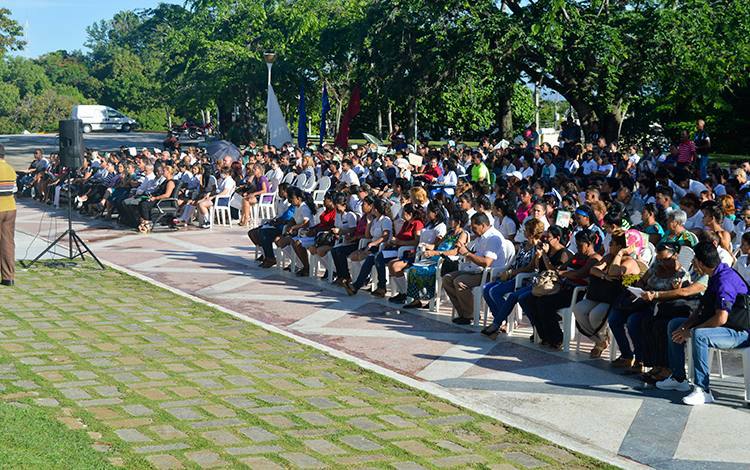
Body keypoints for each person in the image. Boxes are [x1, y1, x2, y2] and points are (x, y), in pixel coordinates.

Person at [657, 241, 749, 405]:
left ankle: (702, 390)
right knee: (675, 324)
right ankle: (679, 378)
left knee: (699, 335)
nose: (692, 265)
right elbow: (702, 310)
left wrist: (691, 331)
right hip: (723, 326)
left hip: (739, 332)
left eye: (693, 261)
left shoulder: (724, 280)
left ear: (700, 262)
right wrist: (686, 326)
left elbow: (721, 318)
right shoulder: (715, 275)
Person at [573, 228, 642, 358]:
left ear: (621, 247)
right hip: (600, 295)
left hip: (616, 300)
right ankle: (601, 340)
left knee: (595, 315)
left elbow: (614, 272)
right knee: (579, 309)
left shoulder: (630, 262)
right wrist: (604, 276)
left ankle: (602, 341)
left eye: (612, 244)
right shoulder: (609, 257)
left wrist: (620, 254)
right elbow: (594, 269)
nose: (608, 246)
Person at [481, 218, 546, 337]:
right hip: (514, 276)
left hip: (525, 279)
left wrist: (512, 273)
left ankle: (500, 322)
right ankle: (501, 319)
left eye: (525, 230)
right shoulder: (522, 245)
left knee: (495, 291)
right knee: (486, 289)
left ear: (530, 232)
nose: (523, 232)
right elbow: (513, 261)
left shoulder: (539, 248)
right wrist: (505, 272)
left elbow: (531, 268)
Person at [441, 212, 506, 325]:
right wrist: (463, 248)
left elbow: (486, 262)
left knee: (460, 282)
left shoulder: (493, 238)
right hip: (475, 270)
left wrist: (467, 254)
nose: (473, 230)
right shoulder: (481, 237)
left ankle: (470, 315)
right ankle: (464, 313)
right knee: (447, 279)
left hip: (489, 274)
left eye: (475, 227)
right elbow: (472, 250)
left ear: (483, 225)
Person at [403, 210, 469, 309]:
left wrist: (436, 253)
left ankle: (432, 298)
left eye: (452, 219)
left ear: (458, 222)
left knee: (425, 271)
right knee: (413, 269)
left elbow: (456, 251)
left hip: (447, 261)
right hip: (436, 257)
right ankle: (417, 299)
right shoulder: (450, 232)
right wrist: (427, 246)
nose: (450, 221)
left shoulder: (463, 234)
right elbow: (437, 245)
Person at [0, 144, 16, 286]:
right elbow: (14, 189)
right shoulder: (10, 169)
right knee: (7, 242)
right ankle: (8, 276)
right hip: (10, 208)